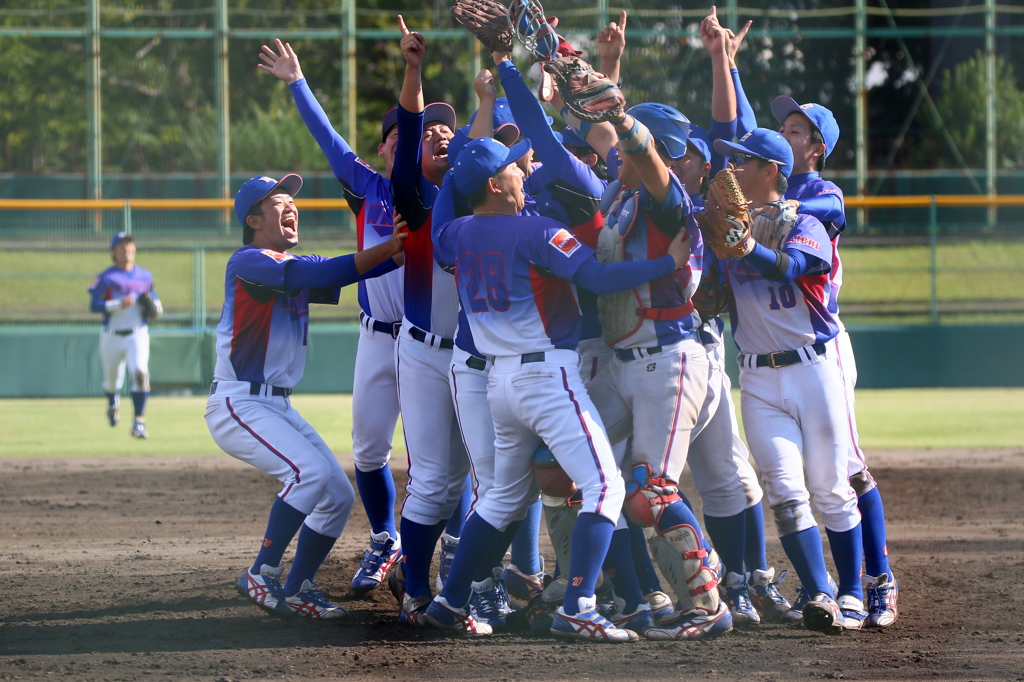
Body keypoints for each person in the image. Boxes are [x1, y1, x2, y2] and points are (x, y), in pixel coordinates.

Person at [425, 136, 693, 641]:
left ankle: (450, 600)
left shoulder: (458, 234)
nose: (523, 173)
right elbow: (596, 276)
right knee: (605, 487)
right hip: (546, 376)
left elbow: (439, 228)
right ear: (493, 184)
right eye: (513, 168)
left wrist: (449, 176)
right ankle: (580, 605)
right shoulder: (537, 232)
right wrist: (667, 264)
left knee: (502, 497)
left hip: (497, 382)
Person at [207, 174, 405, 619]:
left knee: (336, 494)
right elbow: (326, 271)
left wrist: (408, 246)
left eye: (293, 200)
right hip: (239, 402)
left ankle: (297, 588)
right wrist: (389, 246)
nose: (292, 206)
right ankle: (261, 573)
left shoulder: (285, 262)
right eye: (280, 202)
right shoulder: (249, 262)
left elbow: (359, 268)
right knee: (310, 473)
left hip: (275, 404)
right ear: (254, 219)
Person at [259, 38, 405, 596]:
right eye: (395, 134)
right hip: (375, 337)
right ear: (384, 148)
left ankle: (430, 550)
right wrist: (297, 82)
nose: (405, 139)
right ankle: (385, 538)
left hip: (425, 342)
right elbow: (328, 140)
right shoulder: (368, 188)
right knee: (368, 449)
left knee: (435, 460)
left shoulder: (445, 191)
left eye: (411, 132)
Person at [713, 128, 864, 633]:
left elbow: (791, 267)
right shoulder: (728, 227)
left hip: (814, 369)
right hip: (756, 377)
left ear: (772, 171)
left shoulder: (809, 222)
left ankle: (853, 590)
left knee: (830, 488)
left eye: (745, 163)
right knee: (783, 488)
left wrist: (746, 245)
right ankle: (821, 593)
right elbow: (710, 296)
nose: (732, 172)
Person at [770, 94, 898, 628]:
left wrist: (790, 208)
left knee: (844, 467)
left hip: (823, 342)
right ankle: (820, 584)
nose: (785, 134)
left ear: (817, 147)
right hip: (775, 349)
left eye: (796, 130)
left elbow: (834, 208)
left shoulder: (819, 191)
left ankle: (879, 579)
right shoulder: (764, 185)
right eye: (783, 126)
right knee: (804, 472)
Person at [386, 16, 471, 626]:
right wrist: (413, 68)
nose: (438, 135)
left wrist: (494, 101)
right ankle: (414, 587)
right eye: (431, 132)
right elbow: (411, 127)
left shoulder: (477, 200)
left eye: (451, 129)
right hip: (420, 351)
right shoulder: (413, 200)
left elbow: (499, 149)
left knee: (474, 481)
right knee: (435, 480)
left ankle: (459, 585)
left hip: (471, 355)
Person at [89, 232, 162, 439]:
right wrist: (117, 304)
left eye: (130, 244)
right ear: (113, 251)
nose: (127, 248)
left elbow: (156, 303)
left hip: (137, 334)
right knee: (112, 382)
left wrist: (156, 309)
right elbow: (93, 305)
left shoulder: (145, 276)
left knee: (140, 374)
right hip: (111, 335)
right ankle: (113, 400)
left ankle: (138, 421)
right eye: (121, 246)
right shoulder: (106, 277)